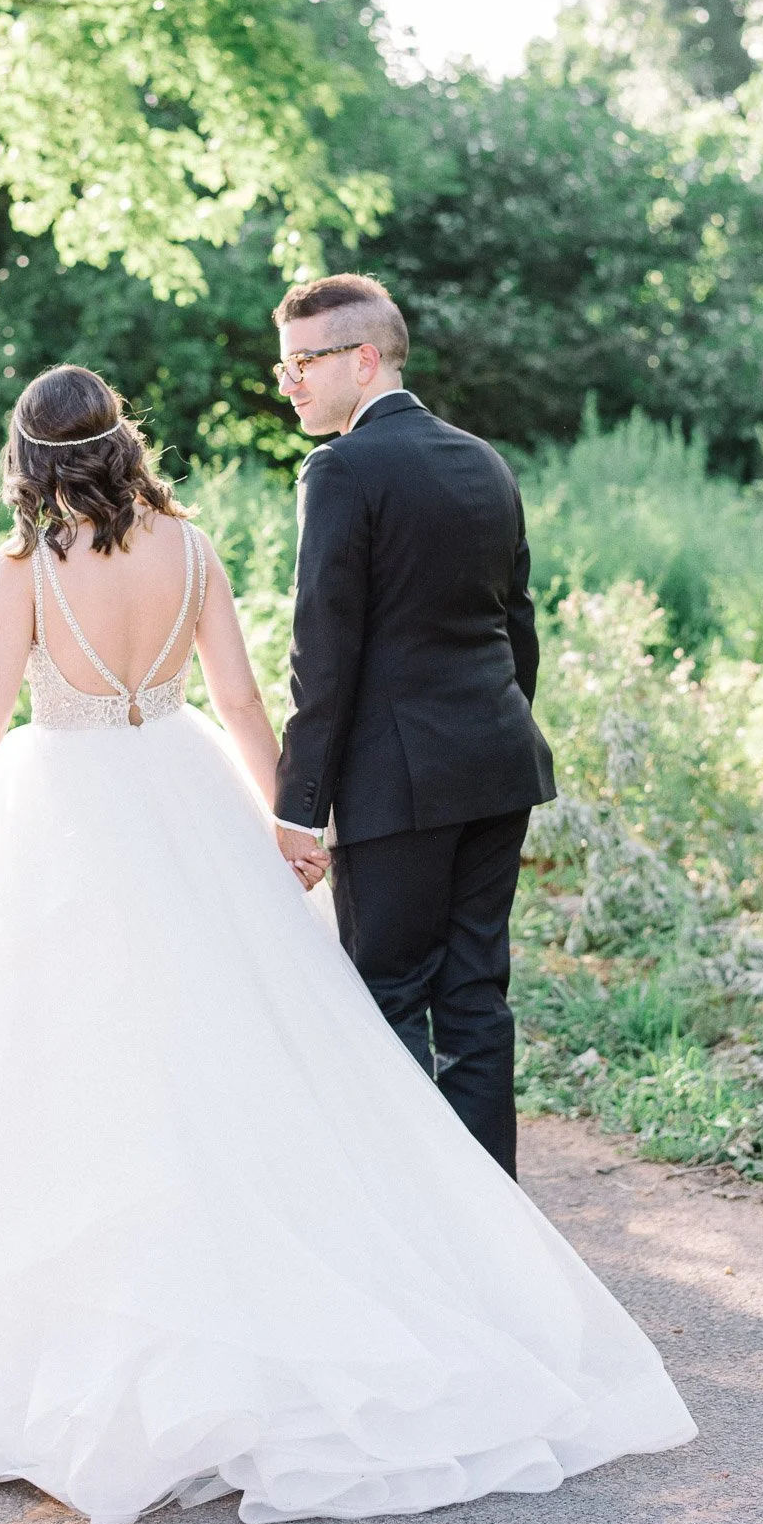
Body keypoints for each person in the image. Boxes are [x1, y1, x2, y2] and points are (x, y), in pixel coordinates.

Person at [0, 363, 694, 1524]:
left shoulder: (26, 565)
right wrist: (283, 821)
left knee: (56, 1068)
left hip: (60, 811)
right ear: (122, 445)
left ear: (31, 460)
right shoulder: (193, 548)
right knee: (227, 1049)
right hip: (184, 792)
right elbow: (249, 703)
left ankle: (75, 1344)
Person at [271, 274, 557, 1178]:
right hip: (498, 767)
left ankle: (413, 1235)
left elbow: (324, 648)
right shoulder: (484, 460)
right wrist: (493, 726)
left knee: (383, 1002)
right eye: (283, 367)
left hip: (397, 786)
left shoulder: (343, 469)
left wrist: (297, 806)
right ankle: (492, 1227)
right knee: (475, 998)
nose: (290, 384)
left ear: (364, 359)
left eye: (305, 362)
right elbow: (517, 627)